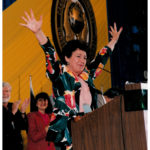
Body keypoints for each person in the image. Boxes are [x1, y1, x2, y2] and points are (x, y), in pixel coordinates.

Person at [20, 9, 123, 149]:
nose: (82, 60)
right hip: (67, 133)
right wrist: (38, 32)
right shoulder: (60, 75)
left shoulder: (87, 76)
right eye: (78, 56)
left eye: (85, 58)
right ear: (67, 58)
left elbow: (101, 58)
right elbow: (50, 54)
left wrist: (114, 41)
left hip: (90, 128)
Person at [3, 82, 30, 150]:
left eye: (7, 91)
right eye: (2, 91)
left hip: (18, 146)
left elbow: (23, 126)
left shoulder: (12, 105)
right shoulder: (14, 108)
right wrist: (13, 112)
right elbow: (5, 128)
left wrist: (22, 111)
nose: (4, 94)